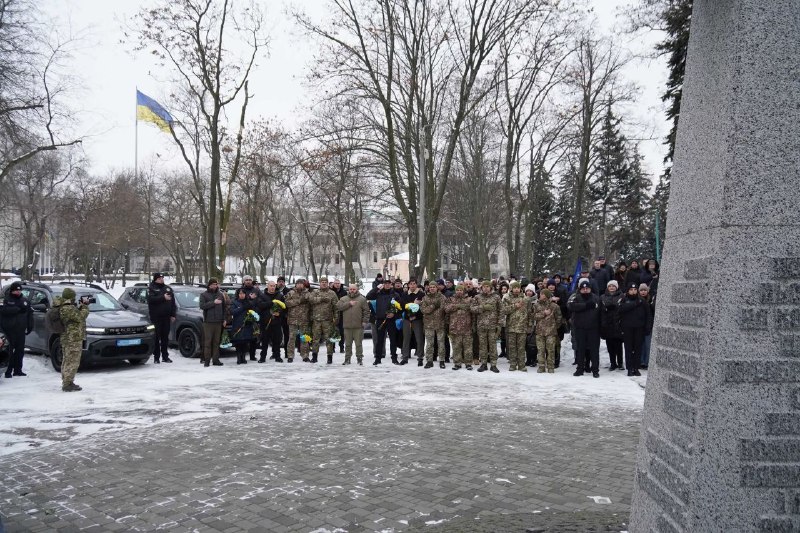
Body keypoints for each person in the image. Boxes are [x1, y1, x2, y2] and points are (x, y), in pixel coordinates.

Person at [57, 288, 90, 391]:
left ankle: (67, 380)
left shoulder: (64, 306)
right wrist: (85, 307)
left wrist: (79, 307)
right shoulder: (67, 308)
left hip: (68, 337)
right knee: (72, 361)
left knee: (67, 360)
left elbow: (74, 318)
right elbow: (80, 317)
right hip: (72, 338)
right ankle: (67, 383)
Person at [567, 279, 601, 378]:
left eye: (587, 288)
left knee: (594, 350)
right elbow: (571, 306)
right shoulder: (576, 298)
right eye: (583, 289)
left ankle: (595, 370)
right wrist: (586, 305)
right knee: (580, 349)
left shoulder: (596, 298)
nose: (585, 290)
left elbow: (601, 313)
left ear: (590, 289)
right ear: (580, 289)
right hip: (580, 328)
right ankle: (580, 369)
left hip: (593, 328)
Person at [618, 282, 652, 377]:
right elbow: (620, 310)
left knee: (638, 349)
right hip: (627, 328)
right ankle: (629, 368)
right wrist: (634, 304)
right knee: (628, 349)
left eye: (635, 290)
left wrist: (647, 327)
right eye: (631, 290)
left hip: (639, 328)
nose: (633, 292)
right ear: (628, 291)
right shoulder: (624, 299)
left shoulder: (642, 301)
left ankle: (636, 368)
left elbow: (648, 315)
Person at [0, 281, 32, 378]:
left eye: (19, 290)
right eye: (16, 291)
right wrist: (17, 309)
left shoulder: (25, 300)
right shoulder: (6, 299)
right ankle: (8, 371)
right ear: (12, 291)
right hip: (8, 330)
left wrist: (30, 326)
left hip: (20, 330)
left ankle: (18, 370)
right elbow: (3, 310)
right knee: (9, 351)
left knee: (20, 350)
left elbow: (29, 315)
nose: (17, 292)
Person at [365, 278, 400, 365]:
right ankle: (378, 358)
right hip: (380, 319)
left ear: (391, 285)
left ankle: (394, 358)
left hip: (391, 320)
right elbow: (368, 296)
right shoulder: (378, 293)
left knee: (393, 339)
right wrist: (377, 288)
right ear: (383, 284)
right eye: (385, 283)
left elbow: (400, 307)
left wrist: (393, 314)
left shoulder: (395, 294)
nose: (387, 285)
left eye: (389, 283)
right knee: (379, 340)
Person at [471, 280, 502, 373]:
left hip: (493, 325)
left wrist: (499, 324)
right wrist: (482, 308)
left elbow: (501, 310)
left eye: (487, 286)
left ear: (491, 287)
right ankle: (483, 363)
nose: (485, 288)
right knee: (482, 346)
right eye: (484, 286)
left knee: (492, 345)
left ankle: (493, 364)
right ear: (481, 288)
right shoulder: (477, 297)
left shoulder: (496, 297)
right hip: (481, 325)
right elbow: (472, 309)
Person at [336, 283, 370, 365]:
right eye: (350, 289)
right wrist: (349, 304)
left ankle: (359, 358)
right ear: (348, 290)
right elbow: (338, 307)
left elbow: (366, 311)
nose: (352, 291)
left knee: (358, 344)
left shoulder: (362, 299)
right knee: (347, 344)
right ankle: (347, 359)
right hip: (347, 326)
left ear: (357, 289)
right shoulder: (343, 299)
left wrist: (365, 321)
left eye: (354, 289)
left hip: (358, 326)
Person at [502, 281, 532, 372]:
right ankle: (513, 364)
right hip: (511, 327)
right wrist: (515, 306)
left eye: (518, 288)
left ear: (520, 289)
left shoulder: (526, 299)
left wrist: (529, 324)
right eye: (514, 288)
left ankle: (521, 365)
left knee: (521, 347)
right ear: (511, 289)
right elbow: (503, 310)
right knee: (512, 347)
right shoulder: (506, 298)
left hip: (522, 327)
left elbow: (530, 312)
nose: (516, 289)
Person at [199, 278, 230, 367]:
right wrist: (213, 302)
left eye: (216, 284)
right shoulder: (204, 295)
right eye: (213, 284)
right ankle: (207, 360)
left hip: (218, 322)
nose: (215, 286)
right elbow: (202, 306)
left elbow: (224, 308)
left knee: (216, 342)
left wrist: (224, 319)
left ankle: (216, 359)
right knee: (208, 342)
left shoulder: (220, 295)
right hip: (208, 322)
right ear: (209, 285)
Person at [308, 276, 339, 364]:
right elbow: (310, 300)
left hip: (328, 320)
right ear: (320, 283)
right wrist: (321, 299)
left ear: (328, 283)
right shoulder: (315, 292)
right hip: (316, 320)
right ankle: (314, 357)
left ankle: (329, 358)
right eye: (322, 282)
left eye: (325, 282)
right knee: (315, 339)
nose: (324, 283)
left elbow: (336, 307)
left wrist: (336, 319)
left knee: (329, 339)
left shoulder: (332, 293)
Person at [147, 272, 176, 364]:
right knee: (156, 337)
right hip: (156, 317)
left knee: (165, 337)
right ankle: (156, 357)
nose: (161, 279)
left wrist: (173, 314)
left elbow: (173, 303)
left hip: (166, 317)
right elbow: (151, 300)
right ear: (155, 279)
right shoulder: (151, 288)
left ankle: (165, 356)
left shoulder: (167, 288)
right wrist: (163, 297)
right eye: (159, 278)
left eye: (162, 278)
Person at [444, 283, 473, 370]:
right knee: (456, 346)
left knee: (467, 347)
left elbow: (472, 310)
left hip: (467, 327)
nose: (459, 292)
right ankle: (457, 363)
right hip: (455, 327)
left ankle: (468, 363)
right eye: (457, 290)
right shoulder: (451, 299)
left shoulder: (469, 299)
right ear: (455, 291)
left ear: (463, 291)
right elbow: (446, 309)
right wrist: (456, 306)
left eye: (460, 290)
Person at [533, 288, 562, 373]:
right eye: (540, 294)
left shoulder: (554, 306)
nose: (540, 295)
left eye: (543, 294)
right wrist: (543, 314)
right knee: (540, 349)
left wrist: (554, 326)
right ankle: (541, 366)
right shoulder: (536, 305)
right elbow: (533, 316)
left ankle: (550, 366)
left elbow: (559, 318)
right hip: (539, 331)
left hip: (551, 332)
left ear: (546, 296)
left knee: (551, 350)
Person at [285, 279, 313, 363]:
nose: (300, 285)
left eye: (301, 284)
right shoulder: (291, 293)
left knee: (304, 338)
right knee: (291, 338)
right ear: (296, 284)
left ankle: (305, 355)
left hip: (304, 320)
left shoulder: (308, 293)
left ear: (304, 285)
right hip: (293, 319)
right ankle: (290, 355)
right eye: (298, 284)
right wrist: (299, 301)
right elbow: (287, 303)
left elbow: (312, 304)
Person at [420, 280, 446, 369]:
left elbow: (444, 309)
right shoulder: (425, 298)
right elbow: (423, 310)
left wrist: (434, 309)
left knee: (441, 343)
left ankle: (442, 360)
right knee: (429, 343)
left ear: (437, 288)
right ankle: (429, 361)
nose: (432, 289)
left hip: (440, 323)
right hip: (429, 324)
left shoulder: (442, 297)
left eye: (434, 287)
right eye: (430, 287)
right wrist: (433, 306)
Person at [257, 281, 285, 363]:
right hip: (265, 322)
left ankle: (277, 356)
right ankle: (262, 357)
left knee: (277, 340)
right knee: (264, 340)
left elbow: (284, 308)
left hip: (276, 322)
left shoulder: (279, 296)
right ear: (267, 286)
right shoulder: (262, 295)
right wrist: (271, 303)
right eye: (271, 286)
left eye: (273, 286)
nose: (272, 287)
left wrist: (279, 313)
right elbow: (260, 306)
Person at [399, 278, 425, 365]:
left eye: (414, 284)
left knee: (419, 338)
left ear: (416, 284)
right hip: (407, 319)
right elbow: (402, 305)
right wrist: (409, 314)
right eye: (411, 284)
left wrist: (415, 314)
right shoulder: (404, 294)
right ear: (408, 285)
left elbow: (422, 307)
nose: (412, 285)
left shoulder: (421, 294)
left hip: (417, 319)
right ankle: (405, 357)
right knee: (406, 338)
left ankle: (420, 357)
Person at [600, 280, 624, 371]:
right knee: (610, 346)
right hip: (608, 325)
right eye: (610, 286)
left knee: (619, 346)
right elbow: (601, 311)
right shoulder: (602, 297)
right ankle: (613, 363)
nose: (611, 288)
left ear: (616, 287)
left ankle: (620, 363)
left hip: (618, 324)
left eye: (613, 286)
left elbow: (623, 308)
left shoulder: (622, 296)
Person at [237, 275, 263, 361]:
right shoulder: (240, 290)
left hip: (254, 316)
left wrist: (257, 310)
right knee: (243, 337)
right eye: (246, 280)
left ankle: (252, 355)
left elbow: (261, 300)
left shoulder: (256, 290)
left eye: (249, 280)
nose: (248, 281)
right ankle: (242, 356)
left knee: (254, 337)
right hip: (243, 316)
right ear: (243, 281)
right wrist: (249, 297)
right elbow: (237, 300)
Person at [638, 283, 655, 370]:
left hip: (648, 325)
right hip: (639, 326)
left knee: (647, 345)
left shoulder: (651, 300)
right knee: (640, 345)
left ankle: (646, 362)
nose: (643, 292)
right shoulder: (637, 300)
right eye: (641, 290)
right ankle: (640, 361)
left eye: (645, 290)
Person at [331, 279, 347, 353]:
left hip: (342, 314)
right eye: (336, 283)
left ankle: (341, 347)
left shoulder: (344, 292)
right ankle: (333, 347)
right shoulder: (331, 291)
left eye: (338, 283)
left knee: (341, 332)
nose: (337, 284)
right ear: (333, 284)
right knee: (333, 331)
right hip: (333, 314)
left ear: (340, 284)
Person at [276, 276, 290, 358]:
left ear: (284, 283)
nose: (281, 283)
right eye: (279, 281)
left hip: (285, 316)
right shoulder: (274, 290)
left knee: (286, 335)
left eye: (282, 281)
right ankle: (276, 353)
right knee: (277, 335)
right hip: (276, 316)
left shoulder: (288, 291)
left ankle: (287, 352)